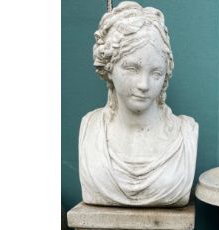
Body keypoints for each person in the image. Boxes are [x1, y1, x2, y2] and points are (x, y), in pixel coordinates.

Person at [79, 1, 198, 207]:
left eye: (156, 73)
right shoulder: (91, 128)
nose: (144, 85)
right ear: (109, 67)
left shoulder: (185, 134)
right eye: (132, 68)